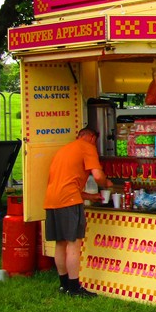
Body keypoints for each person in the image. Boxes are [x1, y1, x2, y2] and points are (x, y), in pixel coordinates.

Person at [44, 126, 113, 297]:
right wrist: (108, 184)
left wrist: (90, 196)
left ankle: (64, 285)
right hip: (69, 202)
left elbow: (66, 183)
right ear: (91, 138)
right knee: (74, 243)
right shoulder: (87, 147)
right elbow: (97, 176)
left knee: (60, 243)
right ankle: (75, 288)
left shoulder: (64, 150)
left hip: (52, 200)